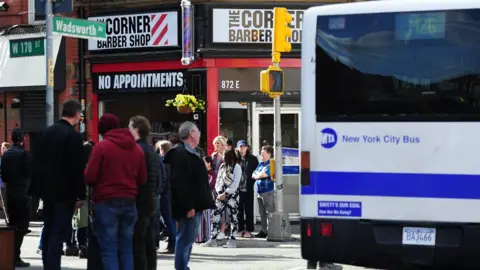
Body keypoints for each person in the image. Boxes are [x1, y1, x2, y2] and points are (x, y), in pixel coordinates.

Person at [85, 113, 147, 270]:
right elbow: (142, 179)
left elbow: (89, 176)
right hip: (129, 202)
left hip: (106, 202)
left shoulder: (101, 147)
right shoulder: (136, 149)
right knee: (126, 248)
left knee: (109, 249)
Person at [30, 99, 86, 270]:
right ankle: (53, 266)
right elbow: (77, 168)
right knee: (58, 231)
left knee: (48, 228)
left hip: (46, 191)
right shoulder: (73, 136)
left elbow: (35, 162)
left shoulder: (44, 133)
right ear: (76, 115)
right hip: (65, 192)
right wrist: (80, 194)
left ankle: (48, 264)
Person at [163, 121, 215, 270]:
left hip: (194, 206)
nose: (199, 135)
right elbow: (180, 183)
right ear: (191, 133)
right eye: (197, 131)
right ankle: (181, 267)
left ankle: (183, 266)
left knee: (188, 240)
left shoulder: (190, 153)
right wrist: (188, 206)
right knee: (185, 239)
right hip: (189, 207)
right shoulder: (180, 153)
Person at [128, 115, 159, 270]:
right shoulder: (152, 150)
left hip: (140, 201)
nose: (129, 131)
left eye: (130, 128)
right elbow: (160, 178)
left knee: (138, 242)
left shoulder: (137, 149)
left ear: (137, 130)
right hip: (151, 200)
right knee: (149, 242)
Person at [1, 128, 30, 267]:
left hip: (10, 194)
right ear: (22, 139)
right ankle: (16, 255)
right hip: (22, 194)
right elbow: (27, 174)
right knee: (22, 226)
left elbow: (4, 176)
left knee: (12, 226)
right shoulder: (23, 154)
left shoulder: (5, 155)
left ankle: (11, 255)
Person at [202, 149, 242, 248]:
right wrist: (219, 192)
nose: (222, 157)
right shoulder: (222, 166)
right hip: (220, 196)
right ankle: (213, 239)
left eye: (224, 155)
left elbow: (236, 184)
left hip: (232, 196)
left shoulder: (236, 167)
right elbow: (218, 180)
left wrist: (226, 193)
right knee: (215, 215)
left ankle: (232, 240)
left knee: (233, 217)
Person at [236, 140, 259, 238]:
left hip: (248, 188)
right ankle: (240, 229)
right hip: (238, 189)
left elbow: (257, 171)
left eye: (244, 147)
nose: (242, 149)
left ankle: (249, 230)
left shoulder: (253, 159)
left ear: (247, 148)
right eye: (240, 147)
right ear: (237, 148)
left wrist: (252, 181)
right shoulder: (235, 159)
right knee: (239, 210)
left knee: (249, 210)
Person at [157, 140, 176, 253]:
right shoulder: (174, 161)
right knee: (170, 219)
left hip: (165, 193)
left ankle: (172, 244)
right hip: (172, 193)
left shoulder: (163, 161)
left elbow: (162, 178)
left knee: (167, 219)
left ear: (162, 149)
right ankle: (172, 243)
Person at [253, 145, 275, 238]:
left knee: (269, 212)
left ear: (269, 154)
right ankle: (264, 231)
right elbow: (253, 174)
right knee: (262, 213)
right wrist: (258, 175)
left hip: (268, 191)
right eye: (261, 153)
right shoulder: (261, 164)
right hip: (260, 192)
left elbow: (264, 174)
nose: (261, 155)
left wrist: (258, 175)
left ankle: (271, 231)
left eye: (263, 153)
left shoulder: (271, 164)